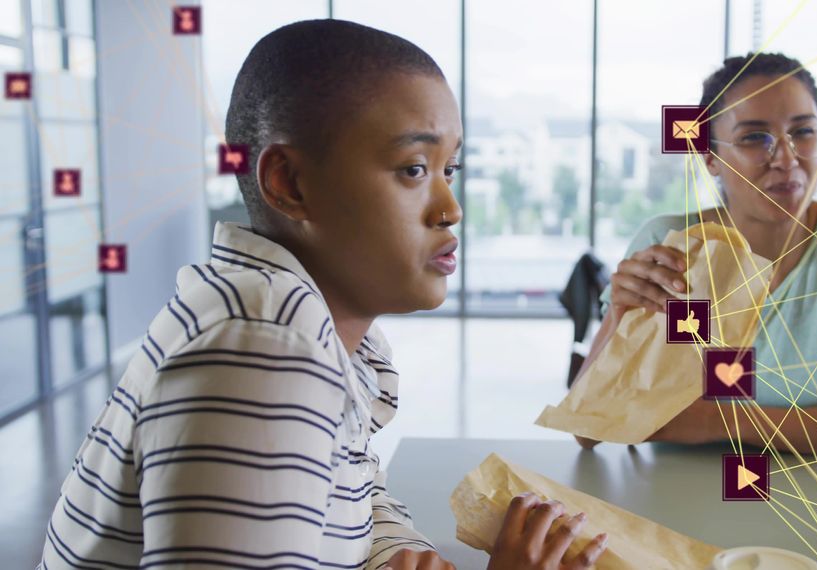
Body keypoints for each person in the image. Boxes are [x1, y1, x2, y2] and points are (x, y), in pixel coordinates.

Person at [40, 20, 607, 570]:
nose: (450, 208)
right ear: (290, 184)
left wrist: (393, 554)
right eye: (413, 168)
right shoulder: (262, 353)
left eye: (449, 168)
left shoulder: (305, 324)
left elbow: (351, 493)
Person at [576, 53, 817, 455]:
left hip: (816, 504)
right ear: (711, 159)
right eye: (754, 137)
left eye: (804, 131)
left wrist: (716, 419)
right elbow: (586, 429)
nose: (787, 158)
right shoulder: (669, 245)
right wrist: (620, 315)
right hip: (674, 502)